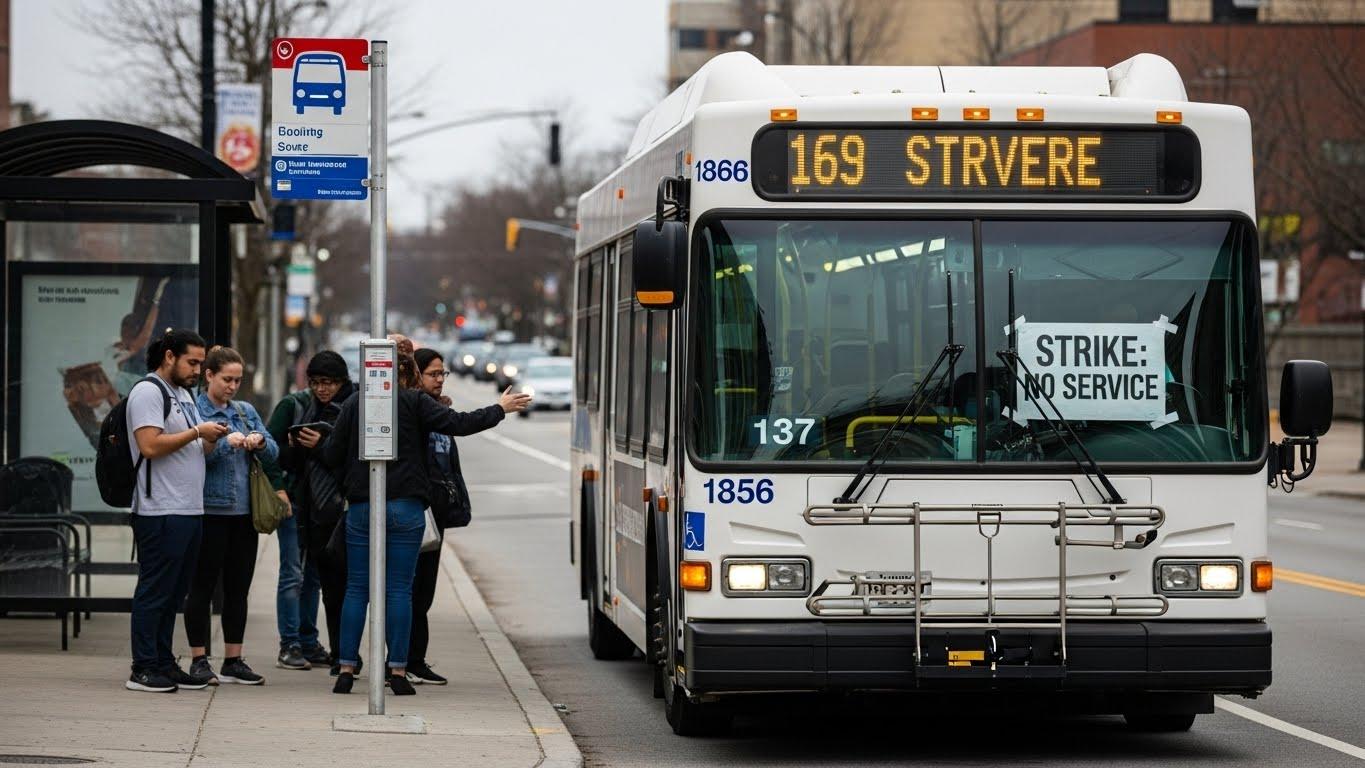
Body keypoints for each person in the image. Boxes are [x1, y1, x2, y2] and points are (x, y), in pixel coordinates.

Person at [322, 352, 531, 695]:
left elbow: (331, 454)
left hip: (362, 506)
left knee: (357, 588)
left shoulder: (355, 404)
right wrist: (499, 408)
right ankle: (398, 671)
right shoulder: (415, 402)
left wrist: (352, 476)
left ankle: (345, 669)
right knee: (399, 591)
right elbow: (459, 424)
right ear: (408, 374)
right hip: (406, 507)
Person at [125, 329, 230, 693]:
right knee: (155, 590)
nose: (198, 371)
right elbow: (150, 445)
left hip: (188, 508)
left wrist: (209, 438)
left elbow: (192, 449)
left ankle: (164, 662)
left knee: (174, 593)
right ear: (169, 356)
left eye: (201, 363)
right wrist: (198, 431)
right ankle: (143, 667)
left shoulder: (183, 394)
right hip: (160, 510)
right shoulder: (147, 392)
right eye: (192, 362)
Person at [182, 346, 278, 686]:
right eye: (227, 379)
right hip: (209, 511)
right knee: (202, 587)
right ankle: (198, 659)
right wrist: (226, 443)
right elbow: (193, 457)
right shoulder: (195, 410)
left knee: (238, 589)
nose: (232, 386)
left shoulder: (244, 410)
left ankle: (233, 659)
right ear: (209, 375)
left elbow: (273, 451)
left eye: (238, 380)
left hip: (243, 514)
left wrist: (259, 442)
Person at [268, 350, 354, 673]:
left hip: (326, 506)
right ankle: (289, 643)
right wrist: (294, 449)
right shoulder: (293, 405)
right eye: (316, 382)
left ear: (341, 382)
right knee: (293, 573)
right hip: (293, 500)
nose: (322, 389)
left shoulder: (349, 407)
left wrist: (321, 444)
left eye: (329, 382)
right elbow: (268, 450)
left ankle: (308, 640)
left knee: (315, 577)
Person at [404, 348, 473, 685]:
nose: (440, 380)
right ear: (416, 375)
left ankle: (414, 660)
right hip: (415, 511)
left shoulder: (437, 411)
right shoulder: (414, 410)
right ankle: (402, 661)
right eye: (433, 374)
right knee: (409, 591)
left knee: (424, 591)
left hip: (437, 515)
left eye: (442, 373)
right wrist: (500, 409)